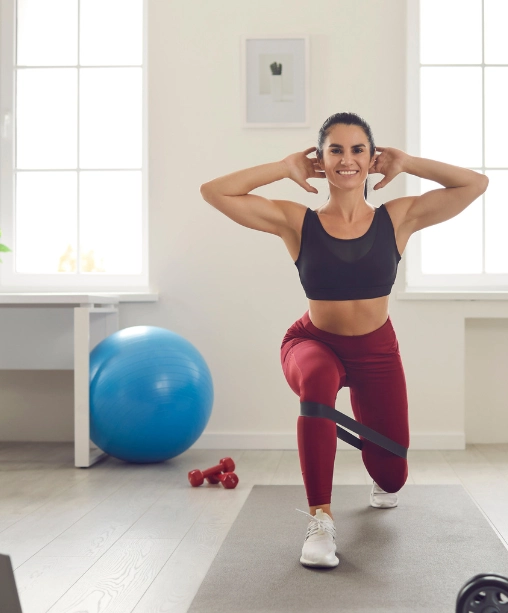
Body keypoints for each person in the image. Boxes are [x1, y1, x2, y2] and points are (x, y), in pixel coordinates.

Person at [200, 112, 488, 568]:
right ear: (321, 159)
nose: (347, 159)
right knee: (316, 381)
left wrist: (408, 162)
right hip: (313, 343)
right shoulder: (298, 222)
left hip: (377, 351)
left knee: (392, 479)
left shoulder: (398, 218)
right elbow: (214, 192)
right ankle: (320, 521)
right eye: (335, 149)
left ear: (373, 159)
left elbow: (474, 184)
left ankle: (381, 470)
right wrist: (284, 168)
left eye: (358, 150)